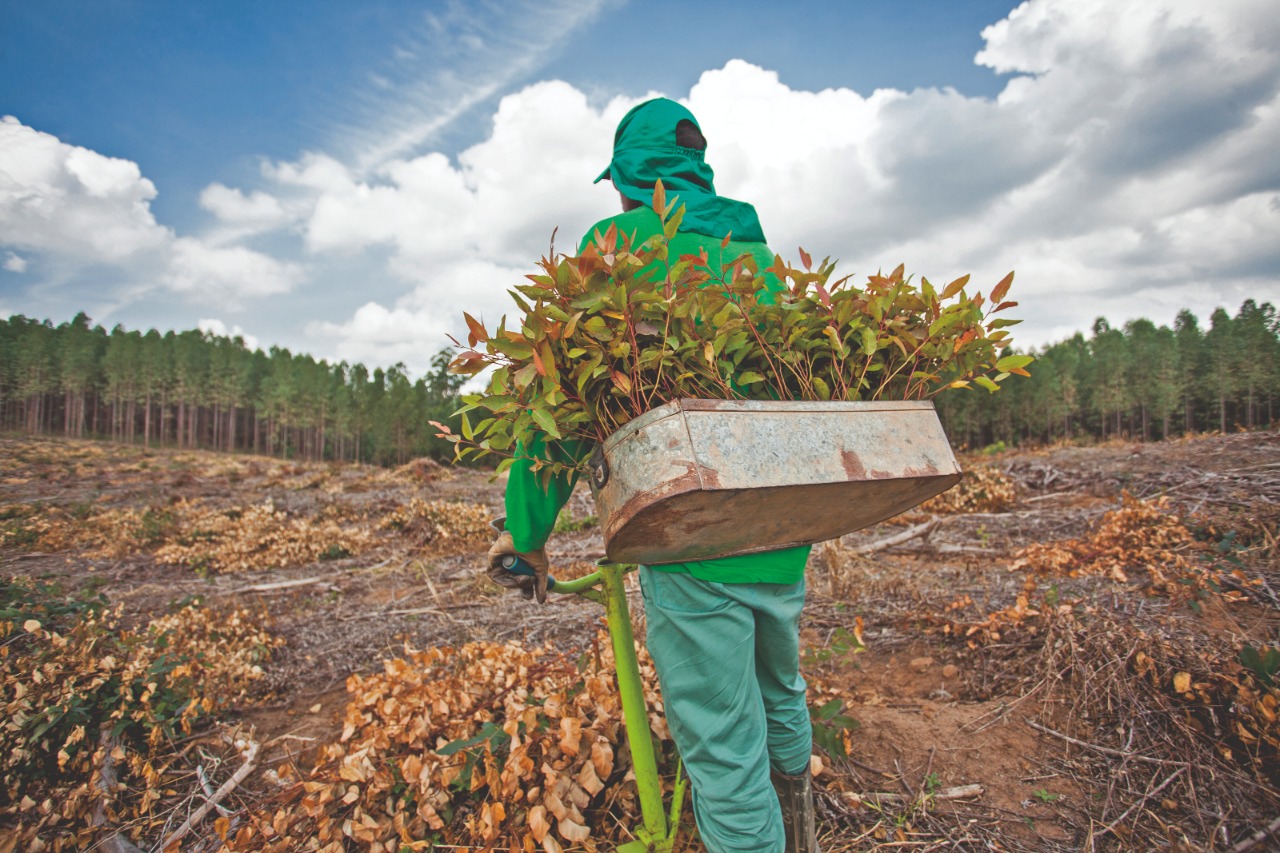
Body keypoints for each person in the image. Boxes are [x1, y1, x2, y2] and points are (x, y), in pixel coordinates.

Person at [486, 98, 820, 853]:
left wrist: (528, 531)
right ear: (695, 168)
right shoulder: (760, 262)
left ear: (631, 179)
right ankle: (802, 826)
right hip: (787, 523)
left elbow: (565, 404)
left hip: (691, 531)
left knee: (725, 752)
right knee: (780, 689)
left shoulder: (613, 256)